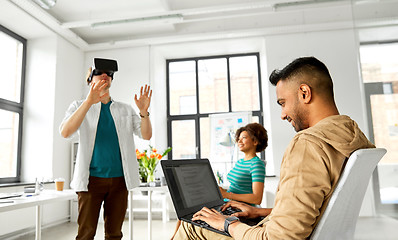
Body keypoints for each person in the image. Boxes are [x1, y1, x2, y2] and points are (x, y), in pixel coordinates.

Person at [173, 56, 375, 240]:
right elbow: (313, 210)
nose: (283, 114)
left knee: (192, 225)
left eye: (283, 103)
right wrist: (259, 212)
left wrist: (227, 224)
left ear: (304, 93)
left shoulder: (308, 144)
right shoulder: (353, 136)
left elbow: (278, 238)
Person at [59, 58, 152, 240]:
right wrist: (88, 102)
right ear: (89, 79)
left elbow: (146, 135)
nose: (105, 76)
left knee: (114, 234)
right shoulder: (78, 106)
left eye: (109, 74)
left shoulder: (125, 109)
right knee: (85, 234)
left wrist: (144, 113)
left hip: (119, 182)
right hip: (90, 182)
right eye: (99, 72)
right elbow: (65, 132)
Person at [171, 122, 268, 239]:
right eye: (238, 138)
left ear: (255, 141)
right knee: (186, 213)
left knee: (191, 218)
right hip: (227, 203)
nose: (239, 141)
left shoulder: (256, 164)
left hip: (239, 207)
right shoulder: (240, 162)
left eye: (244, 138)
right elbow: (237, 187)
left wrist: (226, 194)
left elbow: (257, 198)